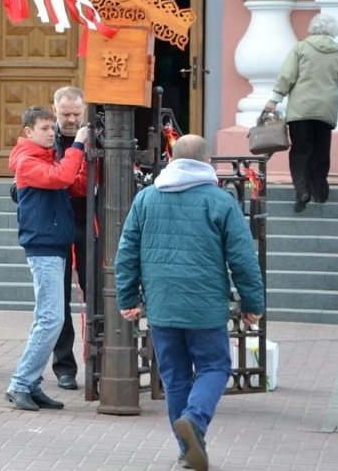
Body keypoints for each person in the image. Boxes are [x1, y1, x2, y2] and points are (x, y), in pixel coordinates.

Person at [115, 134, 265, 471]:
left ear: (172, 159)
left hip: (162, 305)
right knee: (214, 367)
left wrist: (127, 297)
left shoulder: (147, 198)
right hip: (205, 305)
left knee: (175, 377)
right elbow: (242, 258)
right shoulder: (220, 200)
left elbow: (127, 252)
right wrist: (252, 302)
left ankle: (187, 450)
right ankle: (195, 421)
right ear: (206, 161)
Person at [6, 105, 90, 412]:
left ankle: (30, 383)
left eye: (52, 129)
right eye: (45, 128)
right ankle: (21, 383)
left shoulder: (46, 158)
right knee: (51, 318)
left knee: (47, 317)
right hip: (43, 246)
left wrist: (90, 162)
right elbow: (62, 177)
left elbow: (72, 182)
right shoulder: (28, 161)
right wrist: (78, 146)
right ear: (29, 132)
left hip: (52, 244)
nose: (52, 133)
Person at [264, 13, 338, 212]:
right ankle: (320, 193)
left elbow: (287, 76)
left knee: (300, 152)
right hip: (325, 111)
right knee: (321, 152)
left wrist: (274, 99)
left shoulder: (300, 48)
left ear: (313, 28)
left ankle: (302, 191)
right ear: (333, 30)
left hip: (300, 110)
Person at [49, 87, 89, 391]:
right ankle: (64, 367)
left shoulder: (95, 139)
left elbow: (80, 186)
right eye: (65, 114)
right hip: (54, 227)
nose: (72, 119)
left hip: (89, 225)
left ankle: (98, 360)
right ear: (54, 110)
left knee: (97, 296)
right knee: (57, 301)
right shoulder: (45, 138)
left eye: (76, 114)